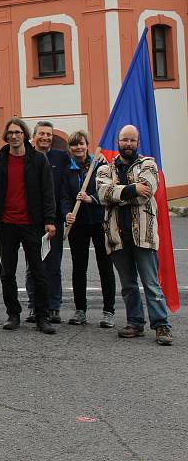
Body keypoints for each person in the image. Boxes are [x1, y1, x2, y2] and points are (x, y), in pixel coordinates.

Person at [0, 118, 57, 334]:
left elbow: (48, 192)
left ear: (25, 135)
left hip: (33, 224)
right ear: (6, 136)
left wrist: (50, 220)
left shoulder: (38, 160)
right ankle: (13, 314)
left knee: (39, 272)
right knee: (7, 272)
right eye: (10, 132)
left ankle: (42, 316)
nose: (14, 136)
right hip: (6, 225)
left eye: (18, 132)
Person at [96, 125, 173, 346]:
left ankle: (162, 326)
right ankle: (135, 322)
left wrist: (119, 192)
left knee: (151, 284)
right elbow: (102, 194)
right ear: (118, 142)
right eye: (124, 140)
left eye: (132, 140)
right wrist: (132, 189)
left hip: (144, 236)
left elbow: (147, 190)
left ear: (137, 143)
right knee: (128, 285)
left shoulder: (148, 164)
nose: (128, 144)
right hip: (116, 237)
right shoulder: (104, 169)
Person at [61, 130, 116, 328]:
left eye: (81, 143)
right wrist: (67, 213)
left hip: (99, 222)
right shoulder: (68, 169)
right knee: (79, 267)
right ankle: (80, 310)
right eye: (74, 144)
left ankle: (108, 311)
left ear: (87, 145)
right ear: (70, 147)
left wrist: (91, 199)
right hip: (79, 225)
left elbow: (107, 191)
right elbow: (65, 196)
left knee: (105, 266)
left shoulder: (100, 165)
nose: (78, 147)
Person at [24, 121, 70, 324]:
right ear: (34, 136)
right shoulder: (26, 157)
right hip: (30, 221)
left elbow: (81, 164)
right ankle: (34, 305)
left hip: (55, 220)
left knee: (53, 265)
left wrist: (99, 159)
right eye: (41, 133)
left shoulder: (61, 157)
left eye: (49, 134)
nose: (45, 137)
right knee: (33, 265)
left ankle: (53, 306)